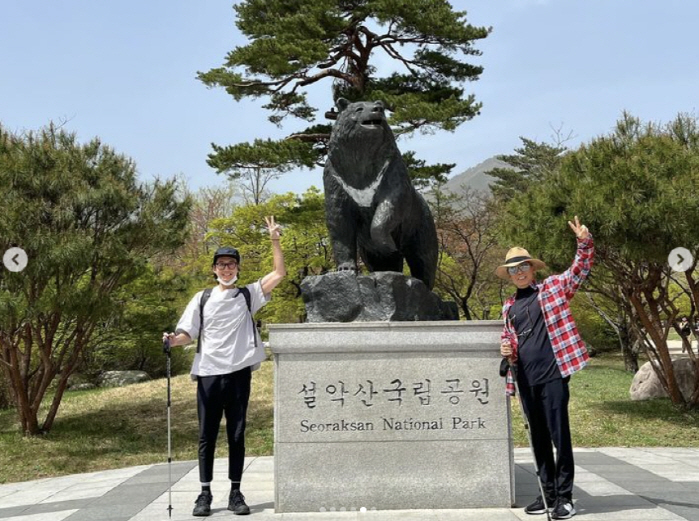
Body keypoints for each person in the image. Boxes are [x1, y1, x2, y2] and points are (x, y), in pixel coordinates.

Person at [163, 216, 285, 517]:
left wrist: (274, 239)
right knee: (206, 435)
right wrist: (170, 340)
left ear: (237, 268)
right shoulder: (201, 298)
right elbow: (186, 334)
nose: (226, 269)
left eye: (231, 264)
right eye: (221, 265)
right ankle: (203, 494)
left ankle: (235, 492)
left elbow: (280, 273)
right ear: (214, 269)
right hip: (207, 373)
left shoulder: (248, 294)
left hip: (239, 373)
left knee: (236, 434)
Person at [497, 216, 593, 520]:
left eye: (523, 267)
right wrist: (505, 347)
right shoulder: (509, 306)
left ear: (532, 269)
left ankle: (565, 498)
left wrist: (584, 242)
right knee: (537, 439)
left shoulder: (551, 289)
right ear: (509, 276)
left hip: (553, 375)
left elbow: (579, 270)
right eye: (514, 270)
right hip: (525, 380)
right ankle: (546, 493)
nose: (519, 273)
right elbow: (508, 338)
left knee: (558, 436)